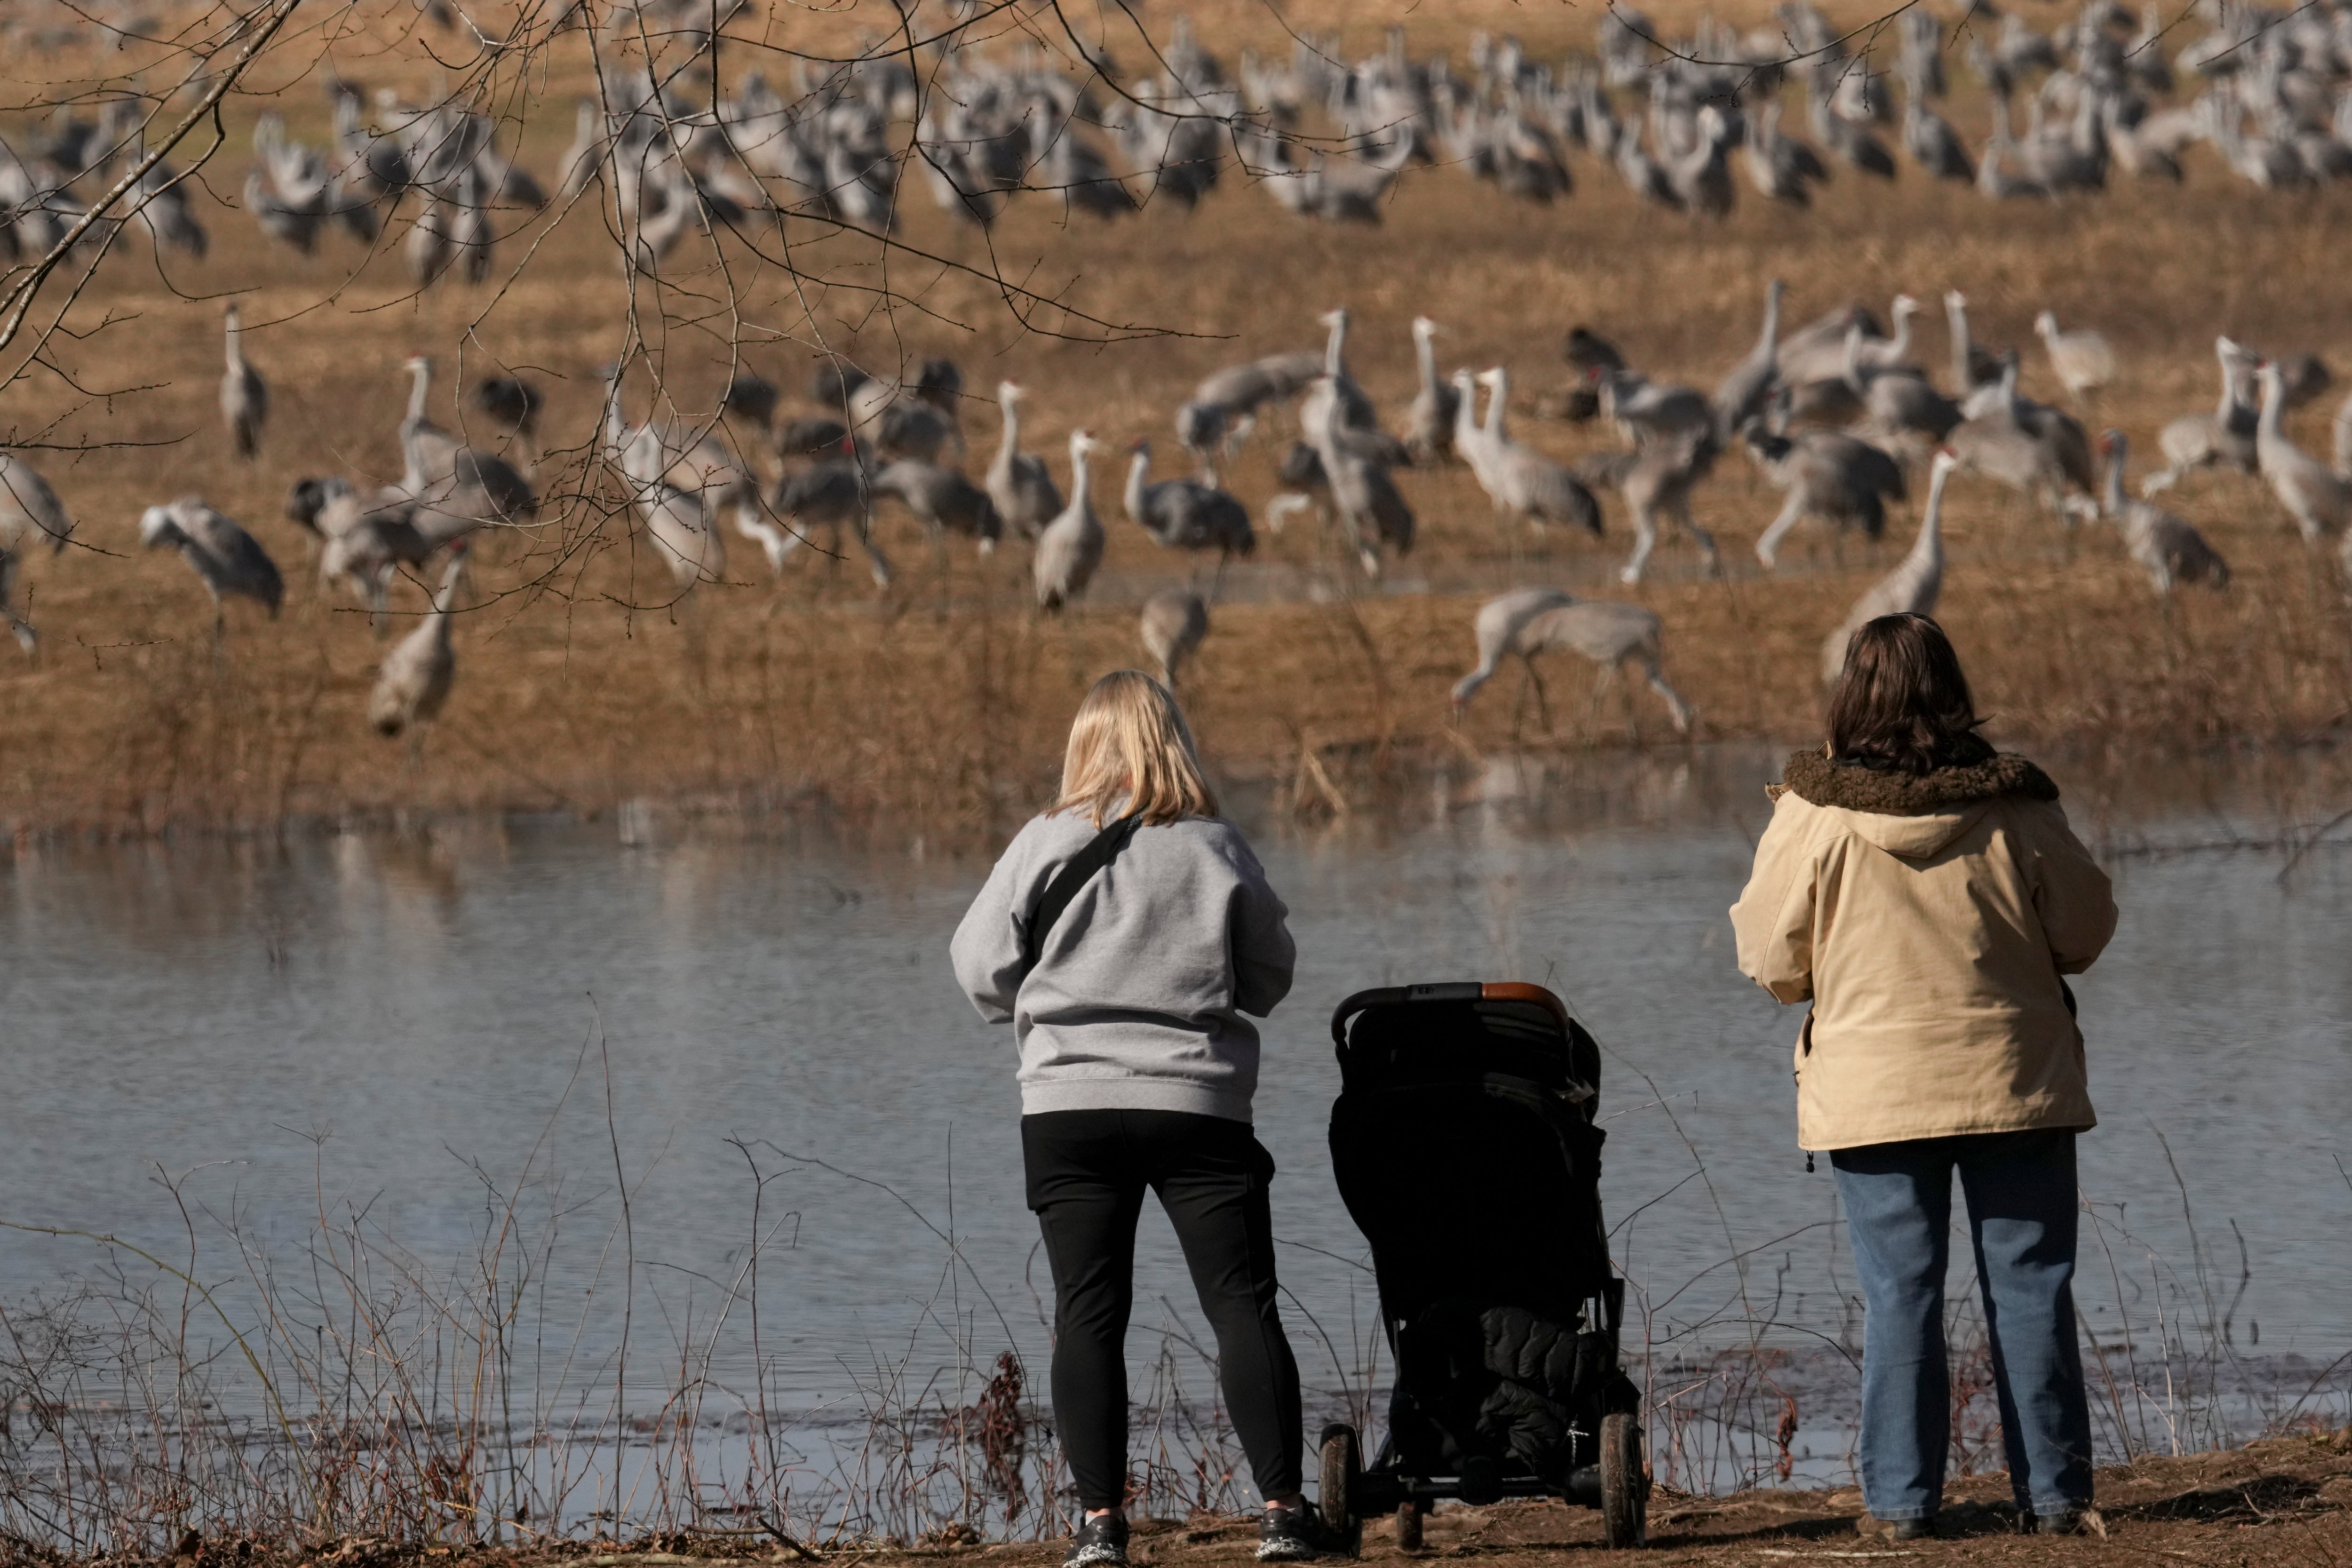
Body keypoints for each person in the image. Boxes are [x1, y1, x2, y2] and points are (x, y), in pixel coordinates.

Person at [1729, 614, 2118, 1540]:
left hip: (1871, 1095)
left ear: (1846, 696)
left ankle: (1900, 1507)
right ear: (1952, 690)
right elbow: (2084, 931)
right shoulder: (2016, 804)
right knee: (2028, 1287)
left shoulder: (1813, 814)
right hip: (2014, 1082)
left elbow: (1768, 959)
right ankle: (2055, 1499)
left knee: (1900, 1294)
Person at [951, 670, 1324, 1567]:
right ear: (1173, 740)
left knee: (1088, 1314)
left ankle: (1097, 1529)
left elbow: (975, 970)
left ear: (1085, 746)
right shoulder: (1212, 846)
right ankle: (1280, 1513)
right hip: (1196, 1105)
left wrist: (1053, 999)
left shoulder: (1040, 843)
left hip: (1068, 1110)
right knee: (1242, 1307)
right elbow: (1272, 978)